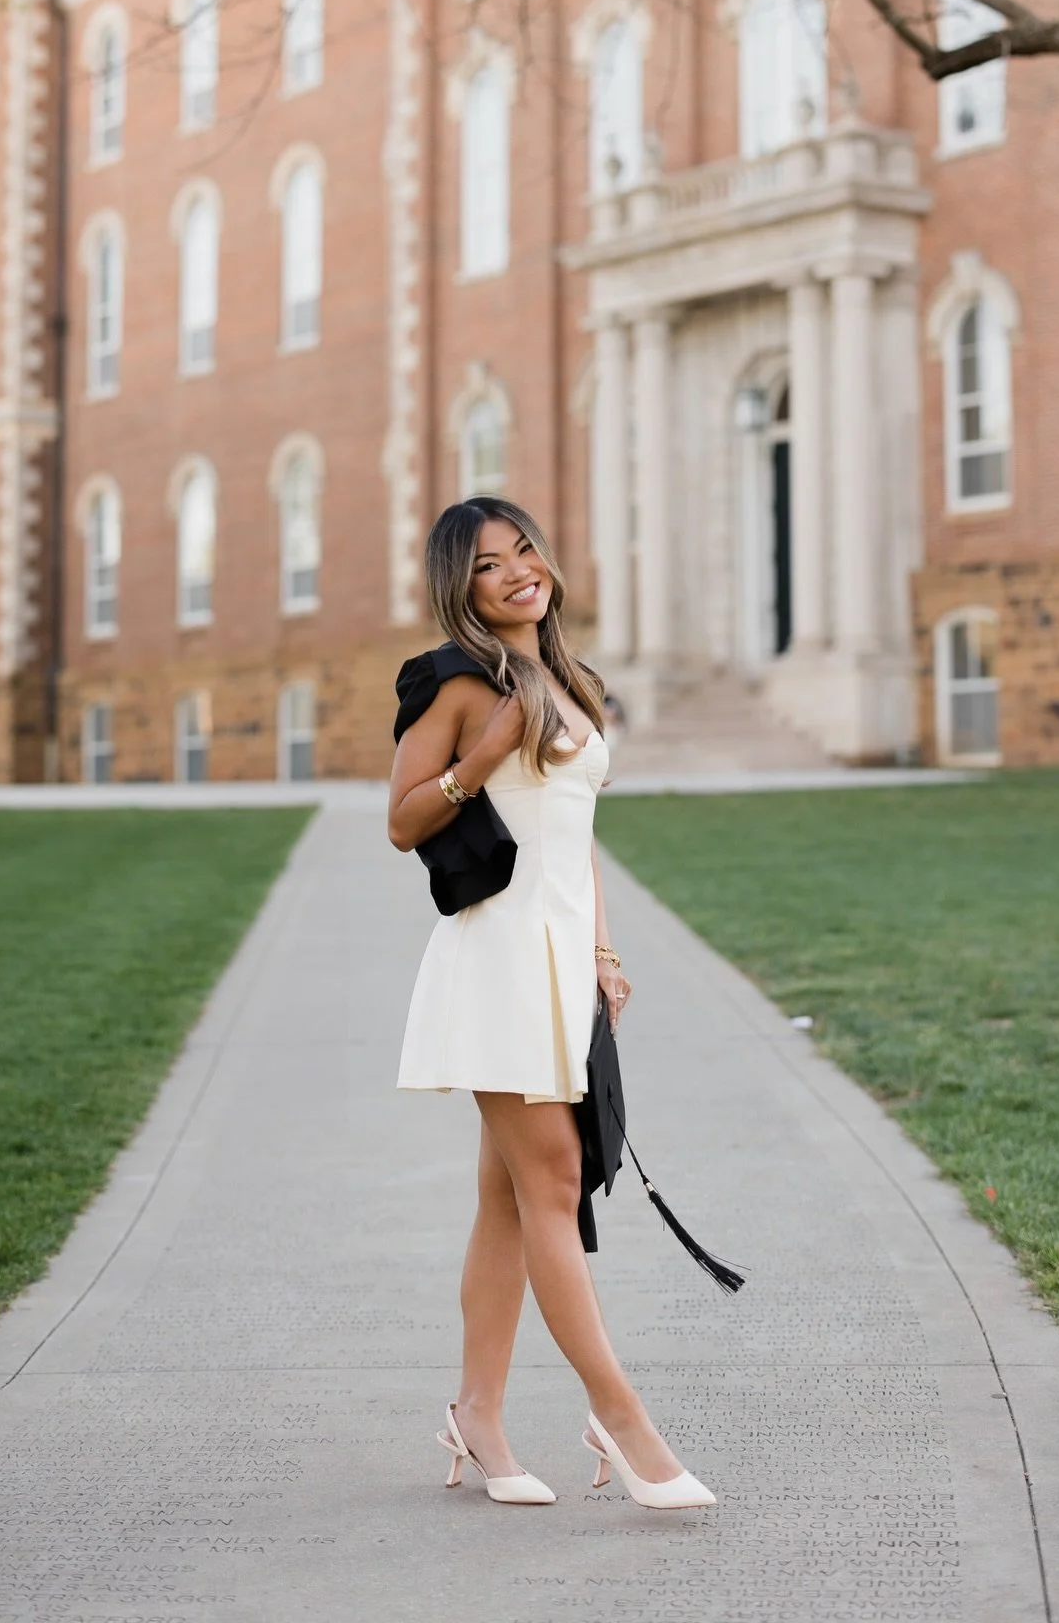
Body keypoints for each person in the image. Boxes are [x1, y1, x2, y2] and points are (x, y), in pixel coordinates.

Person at [387, 497, 714, 1511]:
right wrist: (481, 757)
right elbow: (402, 820)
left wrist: (604, 948)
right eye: (490, 564)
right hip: (496, 964)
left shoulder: (576, 684)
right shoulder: (452, 681)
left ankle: (475, 1414)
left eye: (525, 549)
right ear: (464, 588)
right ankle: (622, 1422)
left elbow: (575, 833)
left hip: (564, 965)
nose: (519, 571)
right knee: (557, 1182)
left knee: (508, 1199)